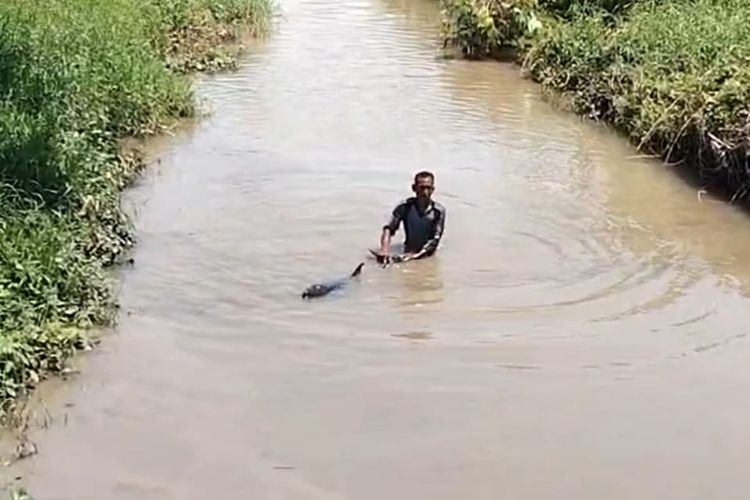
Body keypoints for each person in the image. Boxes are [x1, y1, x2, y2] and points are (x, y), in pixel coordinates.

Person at [373, 171, 446, 264]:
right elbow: (388, 229)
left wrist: (415, 256)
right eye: (422, 188)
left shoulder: (438, 211)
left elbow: (435, 240)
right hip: (407, 251)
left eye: (428, 188)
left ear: (433, 189)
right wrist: (384, 249)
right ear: (414, 188)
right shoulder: (405, 207)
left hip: (426, 255)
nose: (425, 192)